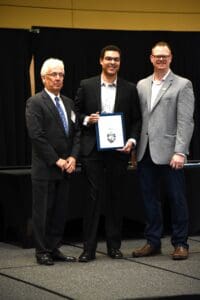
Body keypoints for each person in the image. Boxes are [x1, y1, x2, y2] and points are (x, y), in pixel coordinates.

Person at [74, 45, 142, 262]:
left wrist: (131, 141)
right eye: (109, 59)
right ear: (101, 61)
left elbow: (137, 119)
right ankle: (89, 249)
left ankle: (114, 246)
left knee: (115, 198)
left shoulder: (130, 89)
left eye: (117, 60)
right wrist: (87, 119)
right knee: (92, 200)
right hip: (93, 149)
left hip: (118, 150)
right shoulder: (87, 85)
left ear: (120, 63)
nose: (113, 63)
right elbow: (75, 113)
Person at [132, 41, 195, 260]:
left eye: (165, 56)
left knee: (176, 198)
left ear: (171, 58)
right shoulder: (141, 84)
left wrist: (180, 151)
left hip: (171, 153)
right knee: (150, 199)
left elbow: (186, 121)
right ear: (150, 58)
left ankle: (180, 243)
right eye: (157, 56)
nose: (161, 59)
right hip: (145, 152)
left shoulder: (182, 84)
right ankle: (153, 241)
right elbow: (139, 119)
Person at [26, 58, 80, 265]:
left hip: (66, 167)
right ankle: (41, 251)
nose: (58, 78)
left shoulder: (68, 102)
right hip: (46, 168)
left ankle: (54, 247)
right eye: (53, 75)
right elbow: (36, 136)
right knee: (43, 212)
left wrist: (73, 157)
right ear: (43, 78)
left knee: (60, 212)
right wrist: (57, 160)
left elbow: (76, 134)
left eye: (61, 75)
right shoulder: (35, 102)